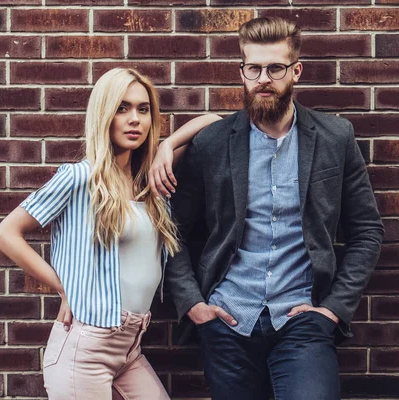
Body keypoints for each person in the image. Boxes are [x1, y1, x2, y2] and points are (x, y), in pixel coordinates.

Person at [158, 17, 385, 400]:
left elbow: (367, 230)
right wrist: (193, 304)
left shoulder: (335, 137)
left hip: (304, 319)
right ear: (242, 71)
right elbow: (170, 227)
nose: (264, 78)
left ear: (295, 71)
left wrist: (333, 308)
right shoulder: (213, 142)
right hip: (227, 319)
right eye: (254, 68)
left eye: (275, 68)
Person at [0, 67, 218, 400]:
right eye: (122, 108)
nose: (134, 119)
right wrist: (63, 288)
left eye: (143, 110)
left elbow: (214, 119)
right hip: (84, 348)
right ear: (104, 115)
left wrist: (167, 145)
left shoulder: (150, 183)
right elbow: (6, 234)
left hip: (130, 349)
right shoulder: (79, 179)